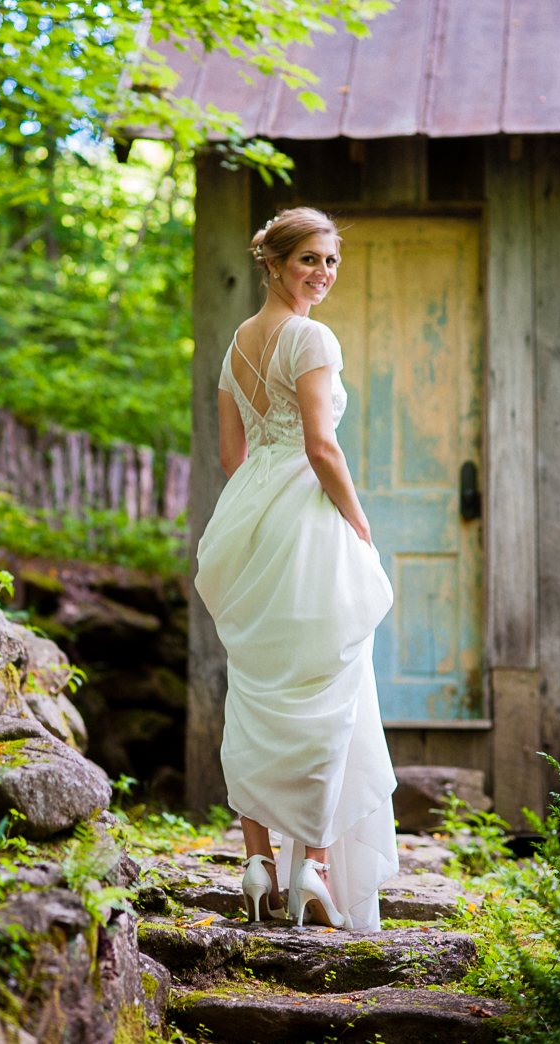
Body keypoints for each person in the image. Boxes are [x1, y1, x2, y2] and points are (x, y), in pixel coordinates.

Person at [194, 207, 397, 931]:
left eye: (331, 262)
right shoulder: (309, 337)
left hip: (252, 517)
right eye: (309, 259)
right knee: (325, 688)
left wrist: (258, 511)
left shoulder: (237, 346)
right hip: (306, 518)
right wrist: (358, 522)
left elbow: (231, 458)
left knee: (259, 686)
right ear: (274, 263)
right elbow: (321, 446)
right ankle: (305, 867)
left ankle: (256, 866)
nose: (322, 274)